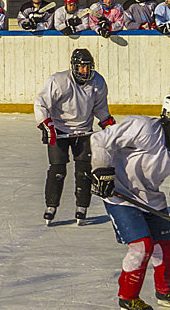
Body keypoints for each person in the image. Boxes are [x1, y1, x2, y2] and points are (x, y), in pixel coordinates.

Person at [90, 91, 170, 310]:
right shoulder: (142, 128)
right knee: (142, 245)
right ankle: (128, 298)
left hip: (150, 197)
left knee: (166, 246)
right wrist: (101, 169)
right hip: (120, 193)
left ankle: (165, 291)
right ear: (167, 116)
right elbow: (101, 140)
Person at [34, 48, 116, 226]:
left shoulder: (98, 82)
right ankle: (51, 205)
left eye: (87, 67)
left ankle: (82, 206)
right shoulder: (59, 81)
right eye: (80, 67)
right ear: (73, 67)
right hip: (60, 131)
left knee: (84, 171)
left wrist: (107, 123)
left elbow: (100, 108)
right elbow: (41, 103)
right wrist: (46, 125)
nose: (84, 71)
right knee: (57, 171)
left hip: (84, 130)